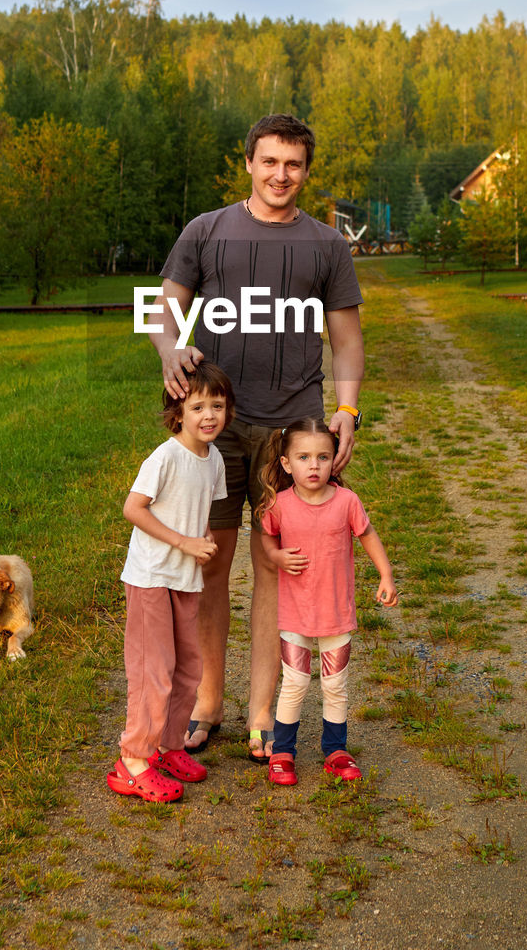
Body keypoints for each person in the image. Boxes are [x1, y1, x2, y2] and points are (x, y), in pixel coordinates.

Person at [149, 113, 364, 763]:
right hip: (212, 428)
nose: (281, 175)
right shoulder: (205, 231)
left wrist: (347, 409)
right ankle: (209, 702)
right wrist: (167, 350)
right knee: (209, 566)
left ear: (306, 170)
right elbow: (162, 307)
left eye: (293, 164)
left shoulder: (326, 246)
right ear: (247, 162)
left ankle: (264, 712)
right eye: (269, 162)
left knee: (275, 570)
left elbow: (348, 339)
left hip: (290, 434)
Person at [107, 360, 235, 803]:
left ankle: (168, 745)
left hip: (185, 578)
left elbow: (203, 512)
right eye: (197, 406)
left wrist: (200, 543)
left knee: (187, 669)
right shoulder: (164, 457)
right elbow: (134, 509)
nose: (209, 416)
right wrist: (184, 542)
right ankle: (133, 761)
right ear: (177, 413)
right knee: (152, 672)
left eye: (217, 406)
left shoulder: (213, 458)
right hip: (150, 578)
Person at [258, 418, 398, 786]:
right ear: (287, 464)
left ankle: (335, 749)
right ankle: (284, 751)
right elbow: (267, 539)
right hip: (295, 614)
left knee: (336, 685)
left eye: (323, 456)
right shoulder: (280, 505)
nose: (314, 465)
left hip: (336, 613)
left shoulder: (346, 502)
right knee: (295, 683)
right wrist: (276, 557)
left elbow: (368, 535)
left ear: (335, 459)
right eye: (303, 457)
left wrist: (386, 575)